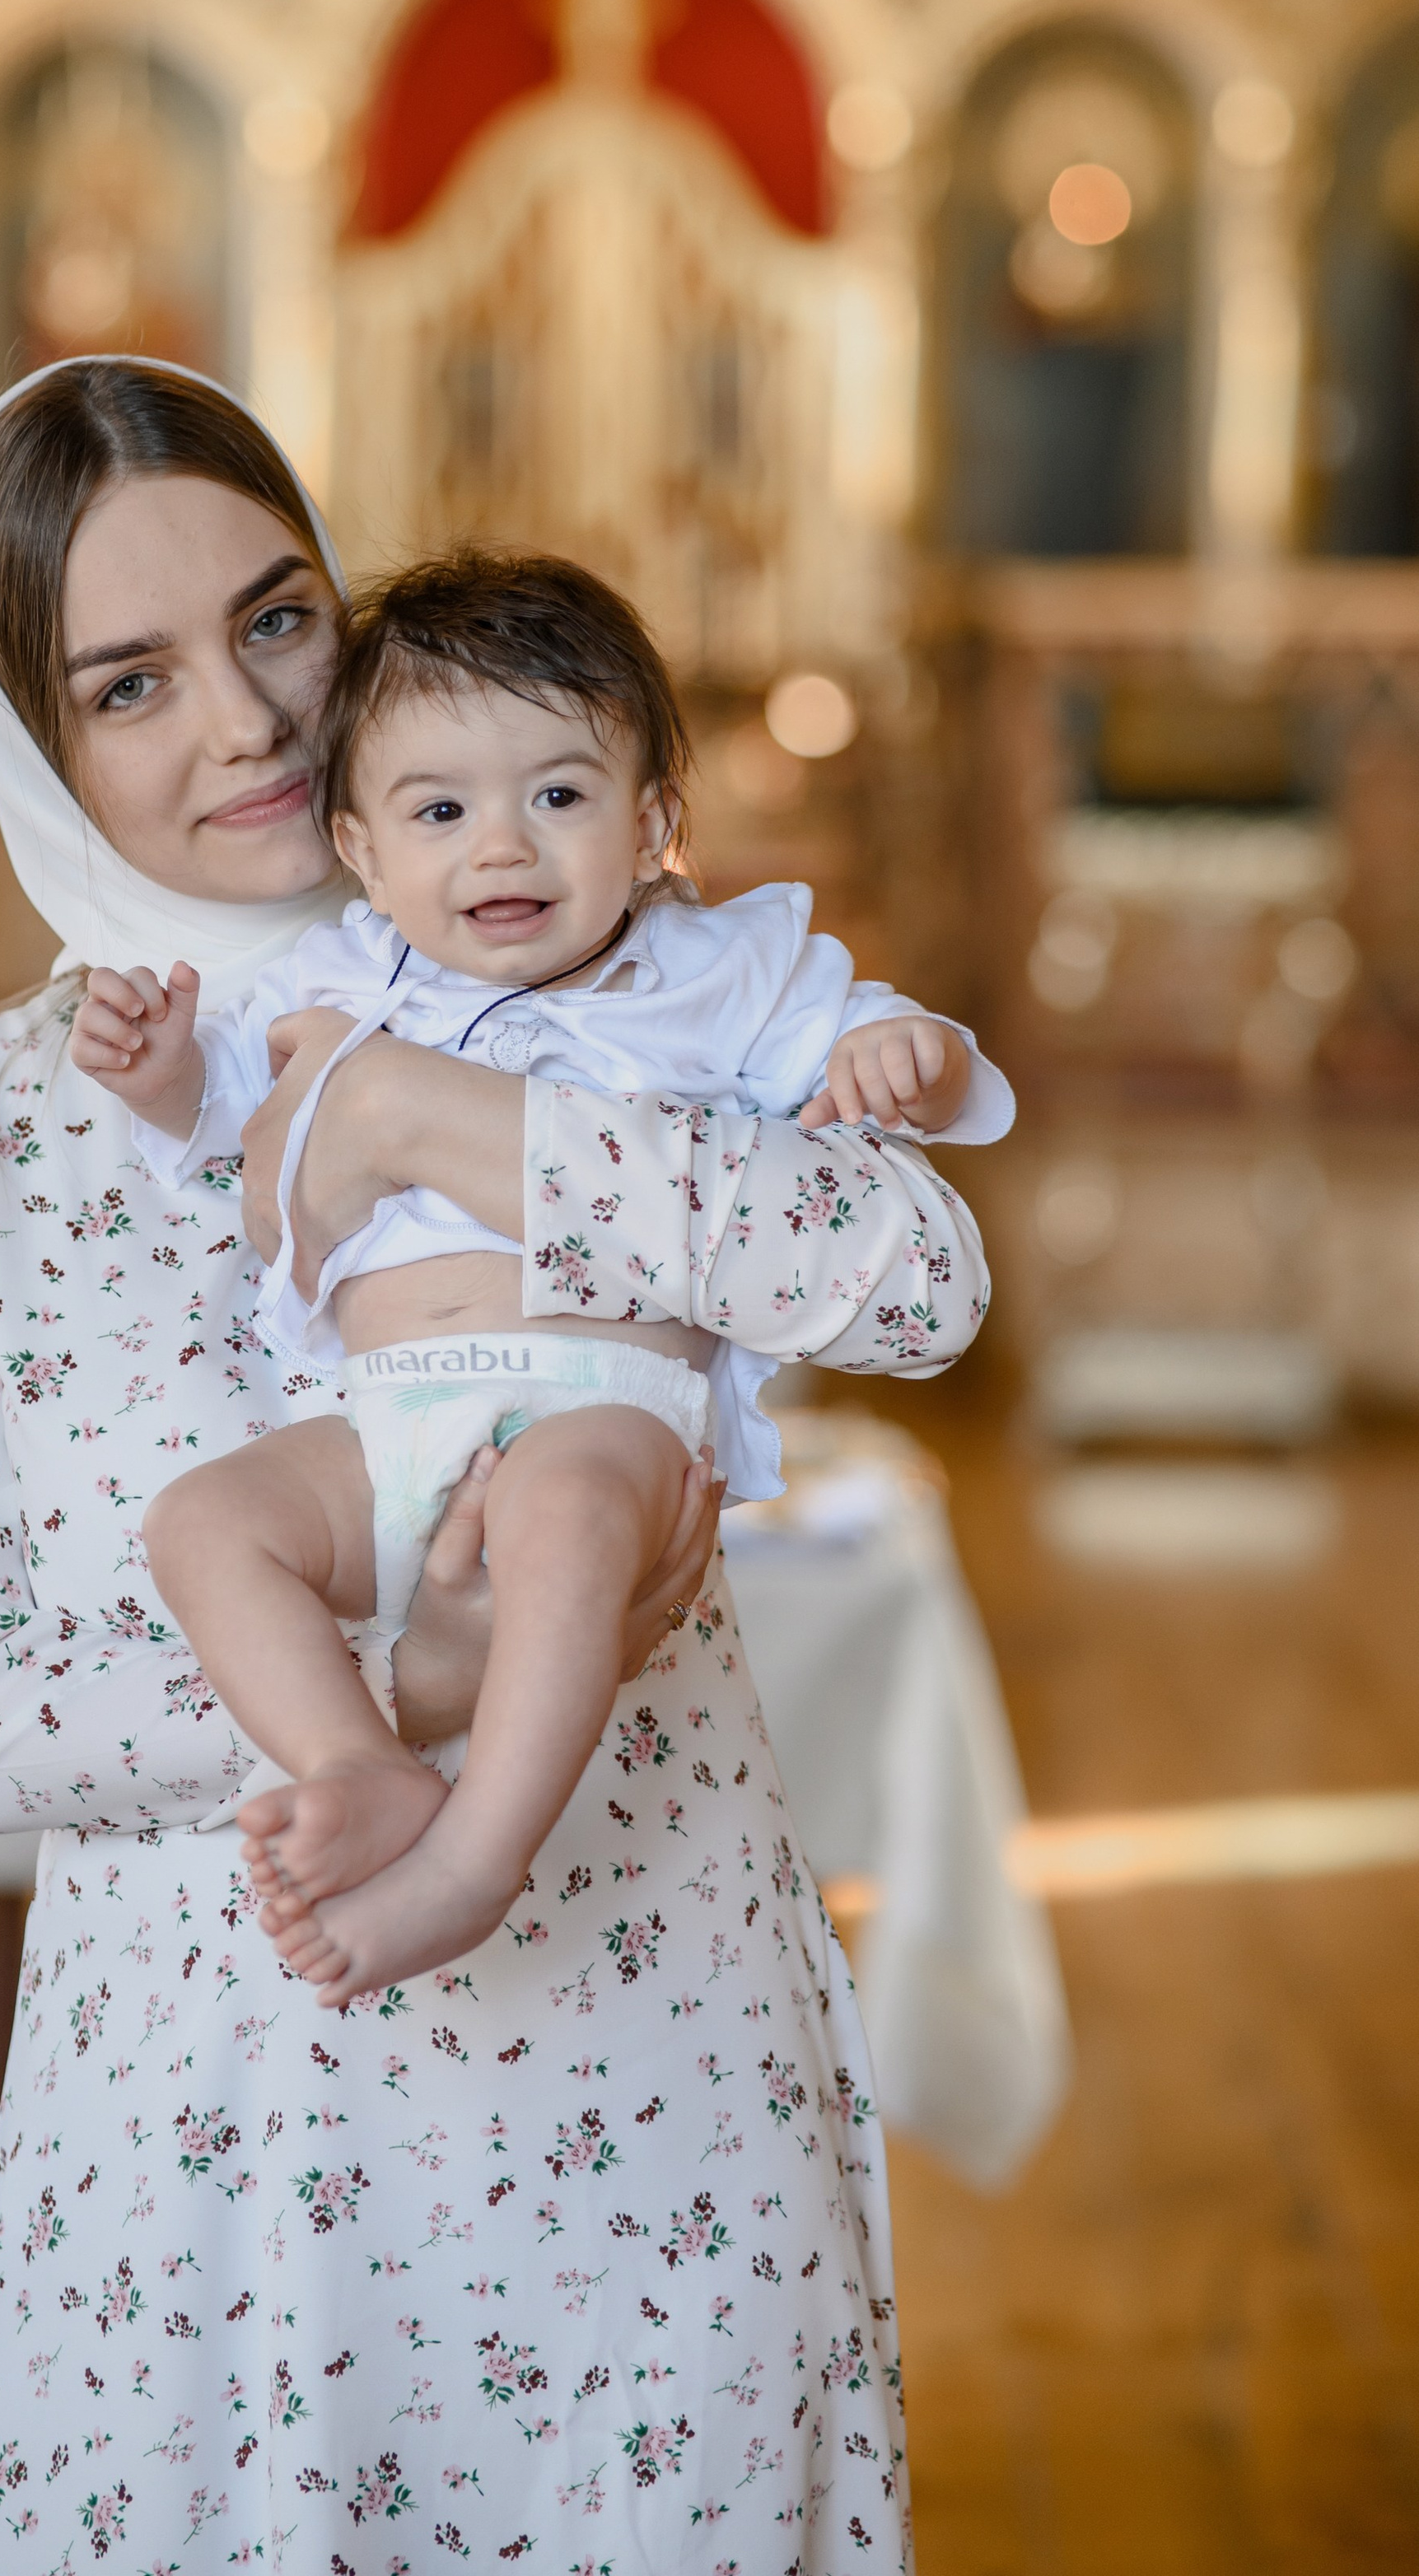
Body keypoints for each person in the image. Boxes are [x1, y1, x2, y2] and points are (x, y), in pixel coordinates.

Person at [0, 356, 992, 2568]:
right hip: (204, 2126)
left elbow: (917, 1286)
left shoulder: (605, 959)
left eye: (277, 622)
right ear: (28, 735)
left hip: (645, 2059)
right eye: (129, 681)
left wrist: (451, 1123)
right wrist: (423, 1695)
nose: (248, 724)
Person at [72, 549, 1010, 2008]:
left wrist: (904, 1059)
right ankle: (358, 1765)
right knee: (206, 1521)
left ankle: (472, 1862)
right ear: (364, 851)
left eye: (557, 798)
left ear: (653, 825)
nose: (500, 847)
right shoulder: (338, 982)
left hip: (599, 1405)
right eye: (440, 812)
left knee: (567, 1521)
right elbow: (217, 1137)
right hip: (388, 1419)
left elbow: (880, 1054)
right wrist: (158, 1071)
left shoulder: (710, 972)